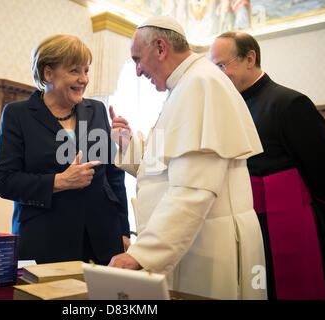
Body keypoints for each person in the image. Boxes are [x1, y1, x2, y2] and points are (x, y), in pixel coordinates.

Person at [108, 16, 266, 300]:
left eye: (137, 59)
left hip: (208, 243)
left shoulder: (200, 83)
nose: (138, 71)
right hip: (193, 240)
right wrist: (128, 145)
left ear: (160, 47)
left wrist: (142, 254)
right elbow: (162, 168)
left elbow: (193, 189)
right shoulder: (185, 86)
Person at [209, 32, 325, 300]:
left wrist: (324, 215)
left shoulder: (290, 103)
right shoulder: (229, 106)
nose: (218, 74)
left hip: (288, 221)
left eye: (222, 65)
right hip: (246, 222)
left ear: (250, 58)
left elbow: (323, 168)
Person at [0, 34, 130, 265]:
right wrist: (59, 181)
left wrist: (123, 229)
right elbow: (5, 182)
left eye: (86, 71)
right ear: (48, 74)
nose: (84, 79)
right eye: (75, 71)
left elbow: (113, 174)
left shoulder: (97, 110)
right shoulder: (17, 114)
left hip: (102, 239)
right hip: (45, 238)